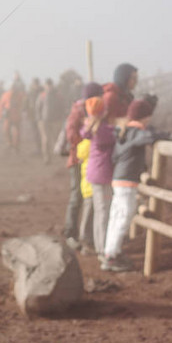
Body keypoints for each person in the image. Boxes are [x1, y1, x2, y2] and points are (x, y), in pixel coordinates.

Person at [102, 99, 171, 271]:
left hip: (118, 179)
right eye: (148, 117)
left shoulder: (124, 131)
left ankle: (110, 251)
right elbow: (148, 137)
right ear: (144, 117)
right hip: (127, 181)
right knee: (124, 216)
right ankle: (111, 257)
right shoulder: (138, 132)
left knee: (116, 216)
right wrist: (166, 136)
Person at [62, 82, 104, 249]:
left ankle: (86, 235)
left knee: (87, 197)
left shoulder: (88, 110)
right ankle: (70, 233)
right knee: (77, 196)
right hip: (77, 160)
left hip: (88, 160)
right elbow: (71, 135)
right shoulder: (79, 111)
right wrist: (86, 141)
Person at [80, 96, 115, 260]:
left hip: (94, 174)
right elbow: (117, 135)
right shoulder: (103, 130)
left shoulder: (92, 127)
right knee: (103, 213)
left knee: (99, 212)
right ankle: (102, 250)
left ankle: (99, 245)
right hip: (102, 175)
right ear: (103, 111)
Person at [35, 78, 64, 164]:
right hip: (44, 121)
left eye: (50, 85)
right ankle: (47, 158)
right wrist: (39, 119)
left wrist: (61, 117)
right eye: (47, 85)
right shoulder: (42, 95)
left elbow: (62, 107)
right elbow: (38, 108)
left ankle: (58, 156)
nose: (49, 86)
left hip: (56, 120)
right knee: (46, 139)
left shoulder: (58, 95)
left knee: (57, 139)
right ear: (45, 86)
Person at [76, 137, 95, 255]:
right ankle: (86, 242)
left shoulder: (84, 145)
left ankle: (86, 240)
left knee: (89, 212)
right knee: (89, 214)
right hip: (91, 185)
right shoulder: (92, 144)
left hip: (87, 184)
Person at [0, 81, 25, 153]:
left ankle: (14, 145)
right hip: (10, 115)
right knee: (7, 130)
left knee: (15, 131)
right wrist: (0, 115)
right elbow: (1, 105)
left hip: (14, 115)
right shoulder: (7, 95)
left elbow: (22, 104)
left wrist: (0, 116)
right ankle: (11, 144)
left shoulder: (19, 95)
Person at [25, 78, 43, 155]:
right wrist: (25, 111)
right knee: (35, 133)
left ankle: (43, 148)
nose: (35, 85)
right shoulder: (30, 92)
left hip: (41, 115)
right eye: (34, 84)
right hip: (32, 115)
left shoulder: (42, 92)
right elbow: (26, 102)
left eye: (36, 84)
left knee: (41, 133)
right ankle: (39, 148)